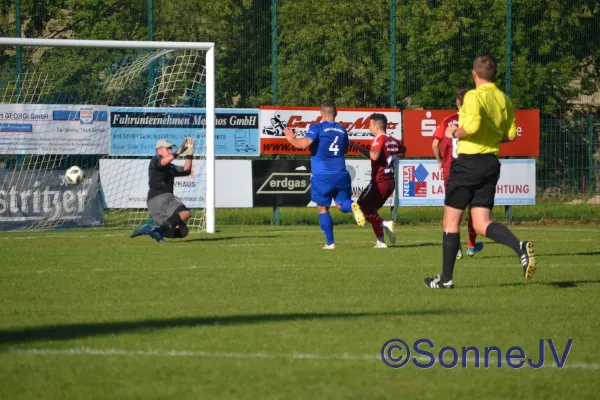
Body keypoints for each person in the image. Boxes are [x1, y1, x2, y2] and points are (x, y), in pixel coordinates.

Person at [424, 55, 536, 289]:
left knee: (451, 220)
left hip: (468, 163)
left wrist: (453, 132)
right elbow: (511, 134)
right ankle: (520, 247)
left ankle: (446, 279)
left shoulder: (474, 96)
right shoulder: (502, 98)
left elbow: (472, 128)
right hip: (490, 163)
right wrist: (490, 136)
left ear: (474, 74)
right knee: (481, 223)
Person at [283, 102, 365, 249]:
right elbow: (345, 149)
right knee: (341, 205)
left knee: (322, 208)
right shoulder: (342, 129)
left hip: (322, 175)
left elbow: (304, 144)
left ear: (321, 113)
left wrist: (291, 138)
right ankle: (352, 206)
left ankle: (330, 243)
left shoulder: (317, 127)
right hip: (341, 174)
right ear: (336, 113)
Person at [432, 89, 484, 259]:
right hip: (470, 169)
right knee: (473, 209)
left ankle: (456, 248)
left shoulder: (447, 121)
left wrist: (440, 161)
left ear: (457, 102)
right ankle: (470, 245)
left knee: (452, 211)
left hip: (450, 171)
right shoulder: (474, 121)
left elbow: (434, 144)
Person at [349, 113, 405, 248]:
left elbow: (374, 156)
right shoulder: (393, 140)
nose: (369, 128)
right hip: (390, 182)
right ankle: (381, 241)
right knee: (372, 210)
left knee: (360, 207)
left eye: (370, 125)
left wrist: (356, 146)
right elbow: (404, 149)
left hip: (379, 182)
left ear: (376, 126)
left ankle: (386, 224)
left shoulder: (378, 139)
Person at [130, 137, 195, 243]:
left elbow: (186, 171)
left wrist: (189, 155)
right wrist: (176, 153)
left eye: (171, 149)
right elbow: (162, 162)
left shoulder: (169, 166)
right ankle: (158, 230)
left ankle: (150, 229)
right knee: (185, 213)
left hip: (153, 203)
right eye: (168, 148)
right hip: (163, 197)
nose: (170, 151)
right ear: (159, 150)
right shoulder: (155, 159)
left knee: (182, 230)